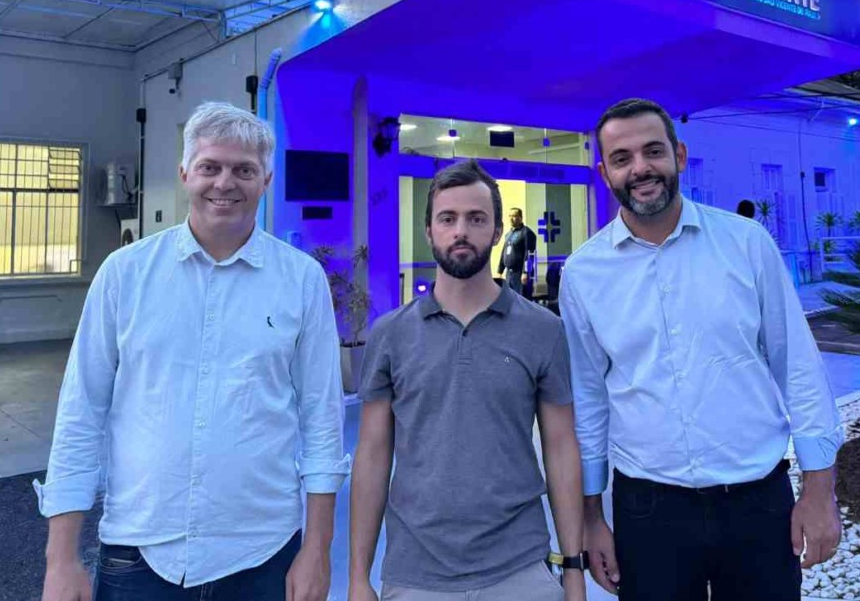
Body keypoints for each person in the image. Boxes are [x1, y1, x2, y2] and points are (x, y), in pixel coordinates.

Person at [36, 102, 349, 601]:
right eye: (211, 166)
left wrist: (317, 550)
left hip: (262, 555)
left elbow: (322, 422)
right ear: (185, 173)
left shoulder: (301, 281)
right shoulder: (125, 275)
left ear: (266, 180)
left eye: (244, 170)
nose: (225, 182)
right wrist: (61, 559)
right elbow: (81, 415)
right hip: (139, 552)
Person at [560, 98, 844, 601]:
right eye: (622, 159)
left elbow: (798, 368)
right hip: (649, 515)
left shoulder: (747, 245)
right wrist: (591, 518)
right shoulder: (583, 275)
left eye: (653, 151)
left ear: (681, 155)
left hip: (758, 505)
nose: (641, 168)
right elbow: (589, 401)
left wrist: (820, 493)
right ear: (604, 173)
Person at [349, 160, 587, 601]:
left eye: (476, 219)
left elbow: (560, 447)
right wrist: (357, 578)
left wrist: (573, 569)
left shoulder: (542, 330)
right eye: (448, 218)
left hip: (520, 569)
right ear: (429, 230)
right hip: (416, 573)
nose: (461, 230)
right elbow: (371, 456)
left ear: (497, 231)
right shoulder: (390, 334)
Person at [497, 207, 537, 296]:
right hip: (509, 274)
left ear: (520, 217)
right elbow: (504, 251)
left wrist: (526, 272)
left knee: (520, 300)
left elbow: (529, 255)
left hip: (520, 274)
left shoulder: (526, 233)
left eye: (514, 216)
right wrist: (500, 270)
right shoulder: (509, 234)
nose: (511, 219)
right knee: (510, 299)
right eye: (509, 216)